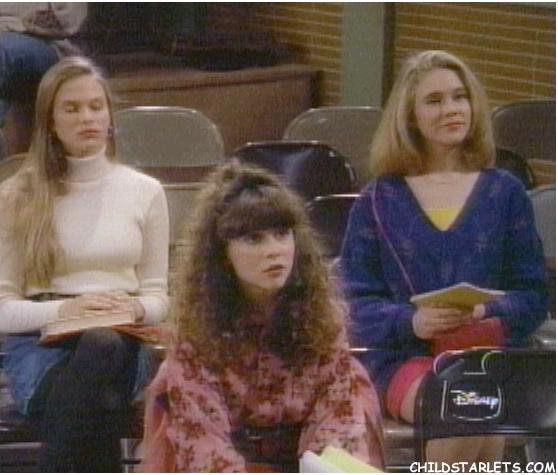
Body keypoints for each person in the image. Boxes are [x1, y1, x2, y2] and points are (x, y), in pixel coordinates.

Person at [341, 50, 548, 463]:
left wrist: (484, 311)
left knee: (478, 401)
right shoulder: (378, 199)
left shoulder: (505, 192)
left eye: (459, 97)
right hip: (406, 359)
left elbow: (535, 296)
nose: (451, 109)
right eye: (434, 101)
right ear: (410, 116)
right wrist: (413, 321)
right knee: (468, 405)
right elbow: (355, 305)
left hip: (493, 357)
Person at [0, 56, 169, 472]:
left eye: (95, 106)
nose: (87, 118)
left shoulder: (145, 192)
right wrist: (69, 310)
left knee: (102, 343)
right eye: (72, 108)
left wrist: (133, 308)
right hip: (40, 346)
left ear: (109, 116)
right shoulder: (16, 194)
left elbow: (159, 298)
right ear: (50, 122)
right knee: (97, 398)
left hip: (122, 342)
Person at [140, 162, 384, 472]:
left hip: (304, 462)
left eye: (282, 234)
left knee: (356, 388)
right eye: (254, 239)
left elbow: (335, 428)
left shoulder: (323, 321)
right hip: (226, 462)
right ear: (222, 253)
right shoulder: (197, 333)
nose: (274, 251)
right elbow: (203, 446)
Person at [0, 3, 87, 192]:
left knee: (2, 45)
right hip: (3, 60)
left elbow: (68, 22)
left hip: (52, 54)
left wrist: (6, 28)